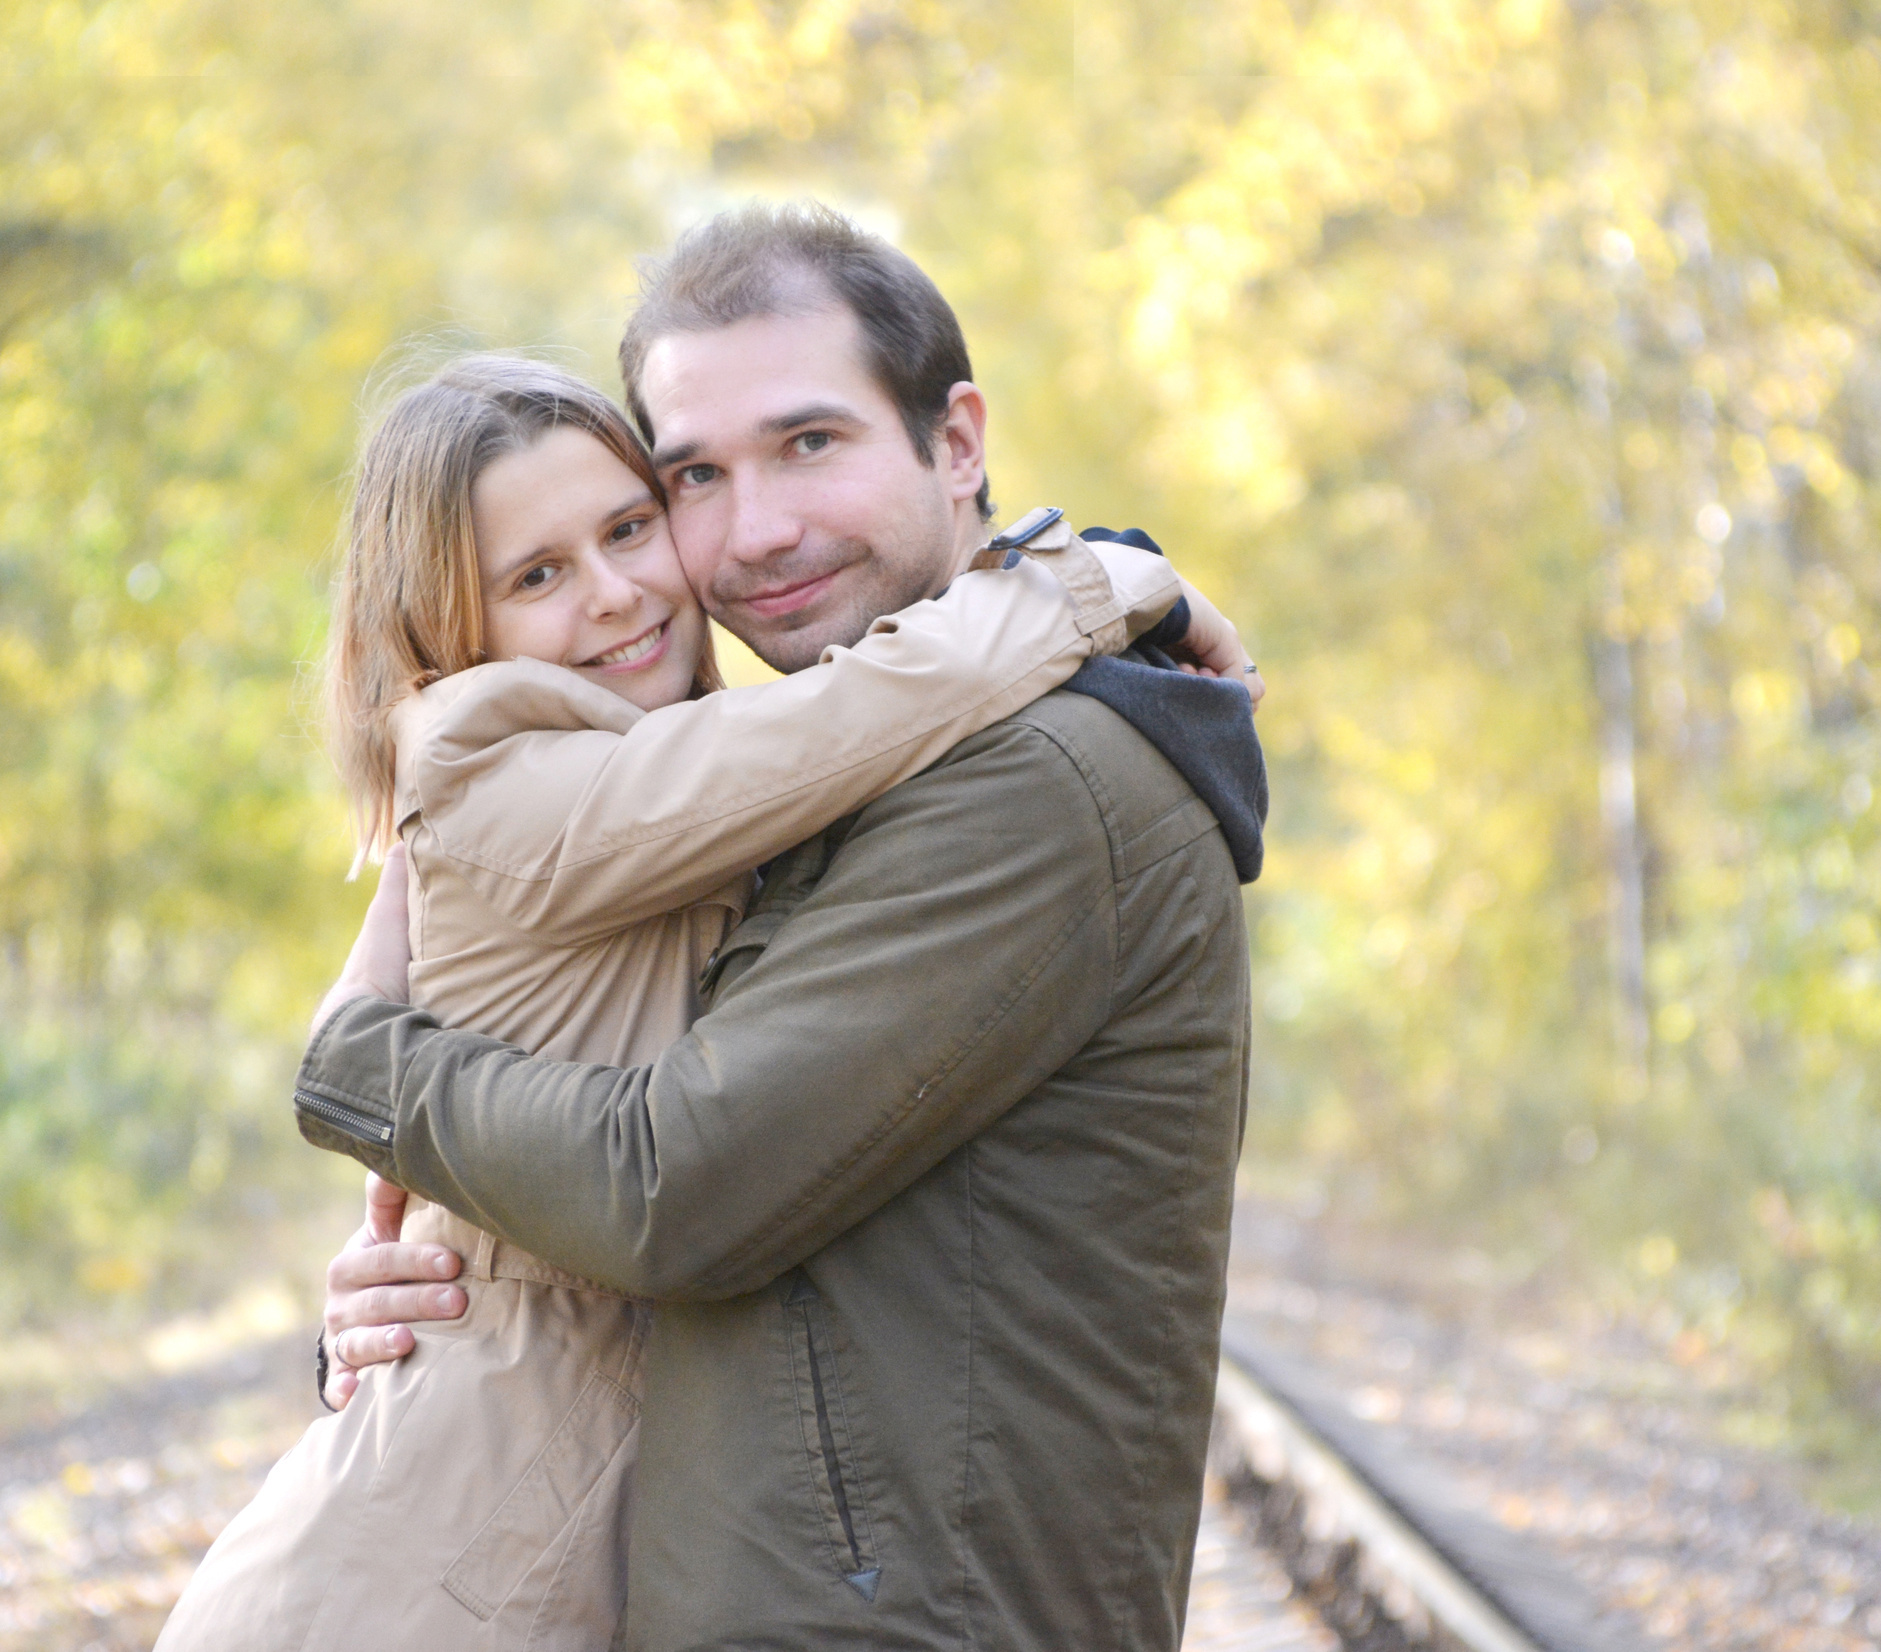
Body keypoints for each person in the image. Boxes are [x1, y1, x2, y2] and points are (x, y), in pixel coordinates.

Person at [155, 351, 1249, 1652]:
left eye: (627, 528)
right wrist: (1109, 575)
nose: (618, 593)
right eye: (538, 575)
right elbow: (869, 707)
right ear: (455, 631)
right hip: (421, 1586)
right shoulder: (524, 770)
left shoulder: (627, 775)